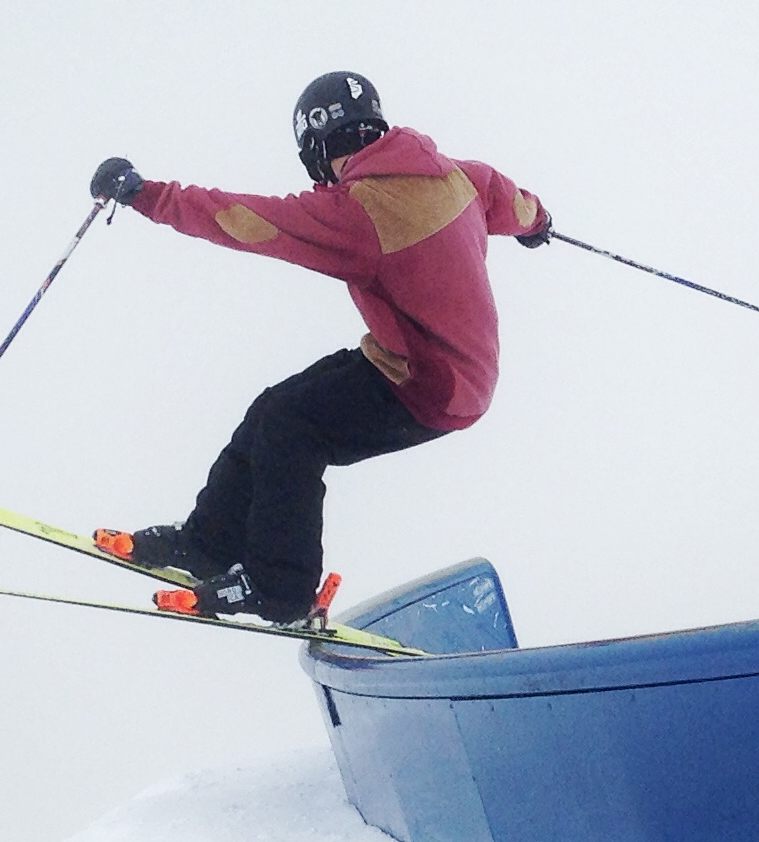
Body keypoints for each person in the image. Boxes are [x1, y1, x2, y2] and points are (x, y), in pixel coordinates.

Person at [86, 72, 551, 624]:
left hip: (432, 388)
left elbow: (244, 220)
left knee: (293, 428)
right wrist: (537, 222)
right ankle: (207, 543)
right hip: (420, 365)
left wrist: (146, 196)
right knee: (272, 409)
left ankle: (280, 588)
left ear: (316, 144)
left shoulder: (359, 213)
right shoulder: (454, 176)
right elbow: (509, 198)